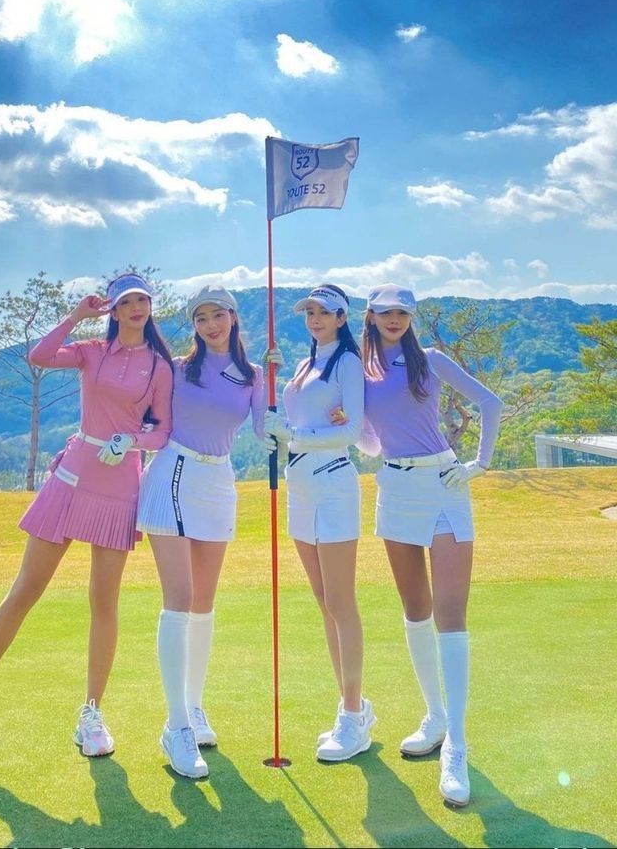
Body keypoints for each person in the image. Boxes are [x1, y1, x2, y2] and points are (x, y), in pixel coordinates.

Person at [0, 273, 173, 769]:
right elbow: (39, 356)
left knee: (104, 601)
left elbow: (162, 430)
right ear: (113, 310)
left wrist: (132, 441)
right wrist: (76, 316)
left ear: (150, 307)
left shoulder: (158, 366)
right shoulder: (90, 351)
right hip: (72, 477)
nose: (135, 307)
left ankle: (92, 714)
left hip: (120, 484)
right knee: (25, 589)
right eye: (126, 301)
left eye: (142, 300)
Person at [357, 282, 503, 806]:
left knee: (450, 614)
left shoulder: (431, 360)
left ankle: (456, 746)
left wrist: (480, 464)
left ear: (411, 317)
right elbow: (372, 439)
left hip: (443, 484)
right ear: (370, 317)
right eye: (385, 312)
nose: (394, 319)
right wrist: (352, 428)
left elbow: (490, 402)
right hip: (395, 488)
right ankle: (435, 717)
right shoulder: (360, 368)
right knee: (415, 610)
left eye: (402, 312)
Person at [136, 285, 266, 779]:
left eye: (217, 315)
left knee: (204, 603)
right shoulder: (176, 368)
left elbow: (265, 431)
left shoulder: (254, 375)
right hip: (173, 472)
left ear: (233, 317)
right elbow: (144, 415)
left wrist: (284, 401)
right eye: (201, 318)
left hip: (218, 481)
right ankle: (176, 726)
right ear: (193, 325)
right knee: (180, 599)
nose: (210, 325)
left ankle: (193, 706)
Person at [263, 283, 375, 763]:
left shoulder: (346, 362)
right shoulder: (305, 364)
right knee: (325, 603)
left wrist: (293, 433)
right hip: (301, 488)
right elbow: (289, 423)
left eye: (324, 312)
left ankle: (353, 715)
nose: (314, 318)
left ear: (341, 318)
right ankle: (352, 707)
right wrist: (267, 382)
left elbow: (351, 430)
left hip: (333, 485)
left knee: (341, 602)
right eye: (309, 311)